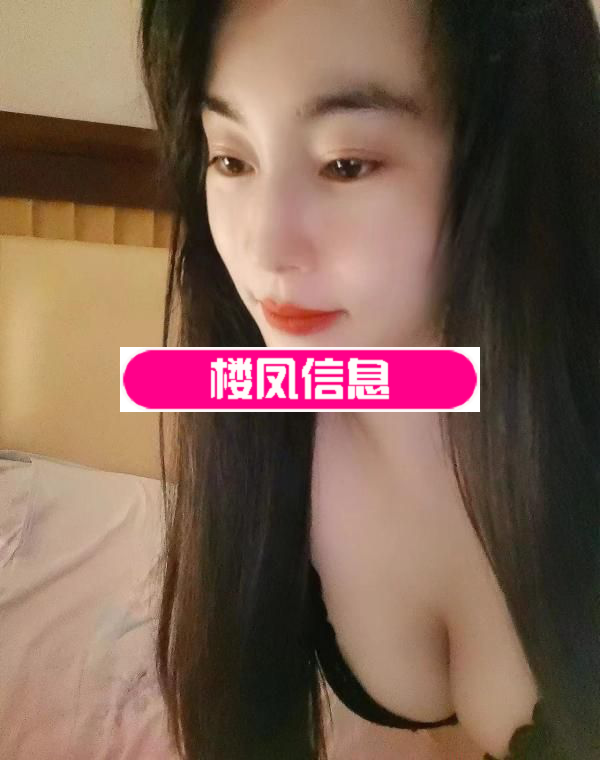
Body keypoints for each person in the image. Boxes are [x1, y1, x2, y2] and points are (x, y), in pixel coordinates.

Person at [138, 1, 600, 758]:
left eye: (345, 164)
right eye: (231, 159)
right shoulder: (261, 408)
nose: (264, 247)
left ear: (513, 156)